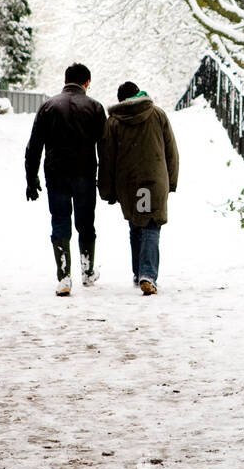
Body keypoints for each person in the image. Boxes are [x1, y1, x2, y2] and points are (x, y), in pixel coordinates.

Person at [25, 63, 106, 295]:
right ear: (87, 83)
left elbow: (34, 146)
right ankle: (87, 271)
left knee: (60, 221)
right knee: (85, 223)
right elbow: (105, 147)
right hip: (85, 174)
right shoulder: (95, 107)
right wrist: (107, 180)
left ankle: (64, 276)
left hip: (56, 174)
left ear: (65, 80)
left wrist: (31, 178)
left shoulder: (48, 106)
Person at [98, 81, 179, 296]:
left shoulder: (114, 122)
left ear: (120, 101)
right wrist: (171, 181)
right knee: (151, 224)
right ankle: (148, 275)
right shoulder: (157, 114)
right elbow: (171, 150)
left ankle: (138, 272)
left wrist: (107, 190)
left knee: (136, 223)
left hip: (128, 182)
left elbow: (107, 157)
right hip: (154, 179)